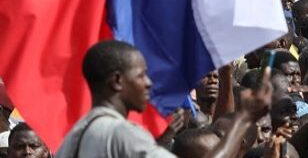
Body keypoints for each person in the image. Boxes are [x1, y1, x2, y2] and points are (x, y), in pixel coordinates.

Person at [57, 40, 272, 158]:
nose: (148, 83)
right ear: (116, 81)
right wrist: (244, 119)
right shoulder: (121, 133)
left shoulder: (75, 135)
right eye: (141, 75)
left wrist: (159, 143)